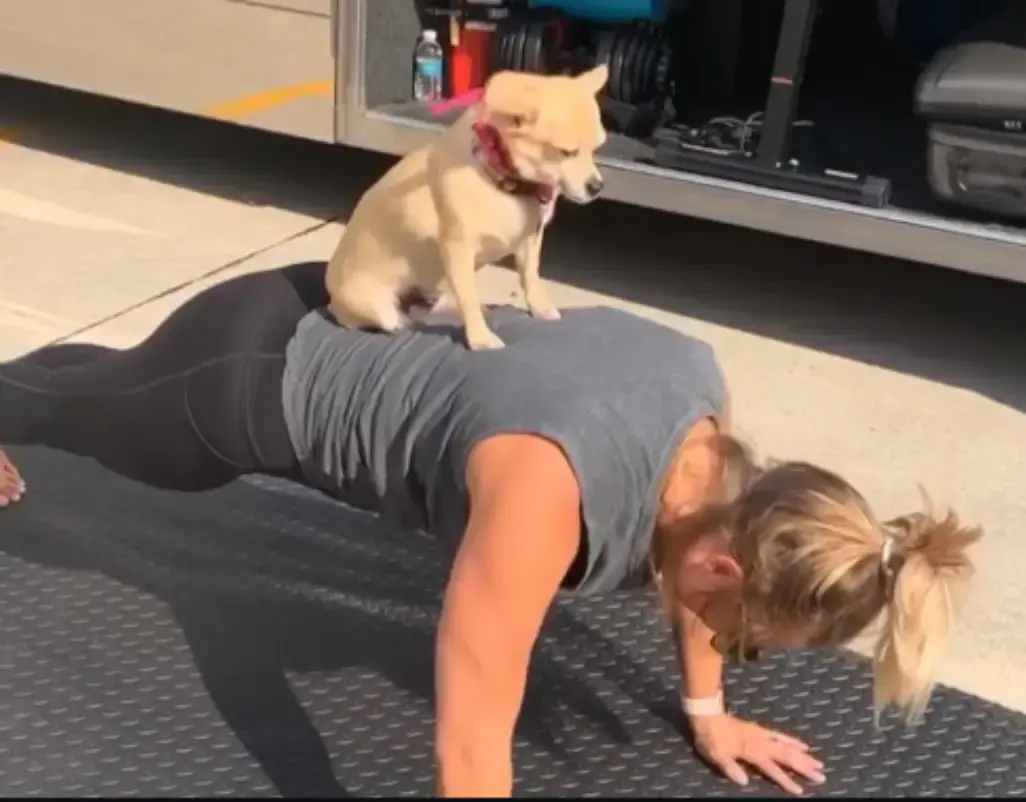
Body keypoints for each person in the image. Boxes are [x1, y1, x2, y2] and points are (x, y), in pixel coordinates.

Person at [0, 260, 981, 797]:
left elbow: (712, 577)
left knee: (101, 390)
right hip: (238, 383)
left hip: (332, 305)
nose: (729, 642)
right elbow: (471, 742)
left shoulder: (707, 421)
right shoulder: (545, 493)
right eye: (744, 639)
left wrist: (709, 708)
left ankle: (92, 378)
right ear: (729, 560)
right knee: (82, 424)